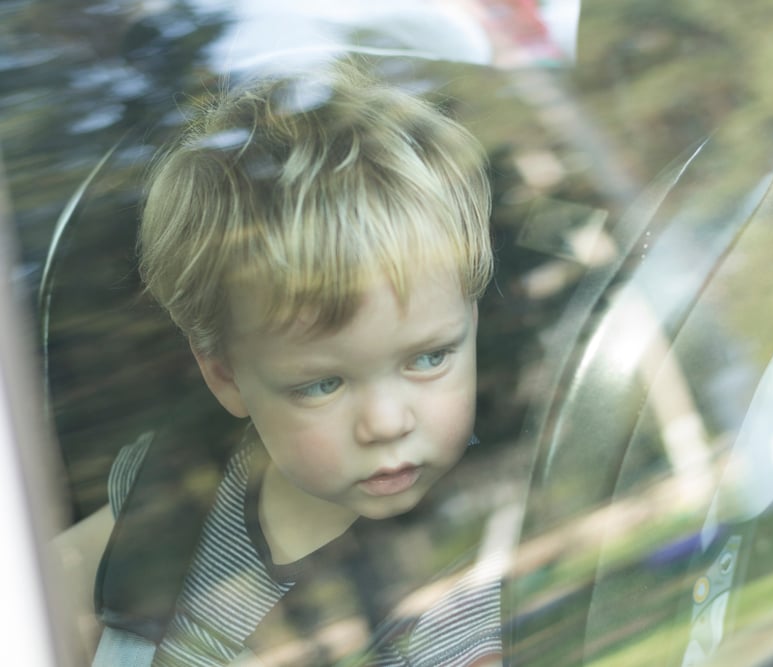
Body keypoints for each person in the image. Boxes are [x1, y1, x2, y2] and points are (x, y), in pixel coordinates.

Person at [52, 59, 500, 666]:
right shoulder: (176, 495)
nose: (388, 423)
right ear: (225, 376)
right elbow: (39, 600)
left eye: (428, 357)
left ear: (470, 325)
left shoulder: (474, 571)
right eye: (321, 384)